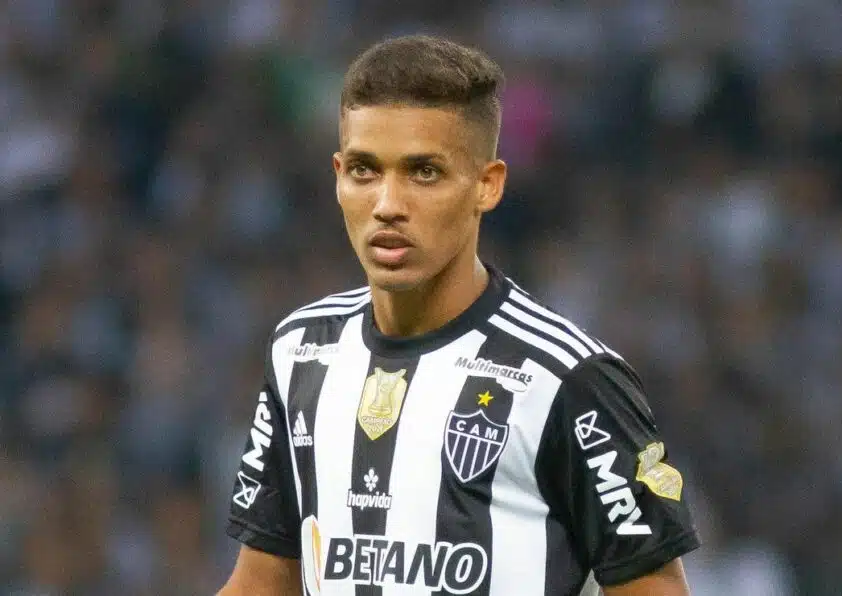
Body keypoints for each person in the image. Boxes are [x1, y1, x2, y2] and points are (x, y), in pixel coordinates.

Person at [216, 35, 700, 596]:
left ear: (487, 186)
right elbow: (262, 579)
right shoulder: (302, 351)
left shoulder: (568, 379)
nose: (388, 205)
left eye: (424, 172)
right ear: (338, 175)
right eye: (365, 170)